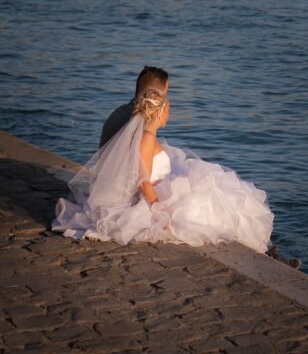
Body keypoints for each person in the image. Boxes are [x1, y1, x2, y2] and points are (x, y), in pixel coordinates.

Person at [53, 86, 275, 254]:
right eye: (168, 110)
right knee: (211, 200)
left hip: (165, 187)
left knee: (215, 189)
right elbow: (144, 181)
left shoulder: (147, 136)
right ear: (158, 113)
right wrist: (160, 211)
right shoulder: (147, 140)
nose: (170, 114)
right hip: (157, 196)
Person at [100, 65, 169, 148]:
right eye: (165, 95)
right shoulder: (140, 124)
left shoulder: (119, 111)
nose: (166, 102)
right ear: (155, 96)